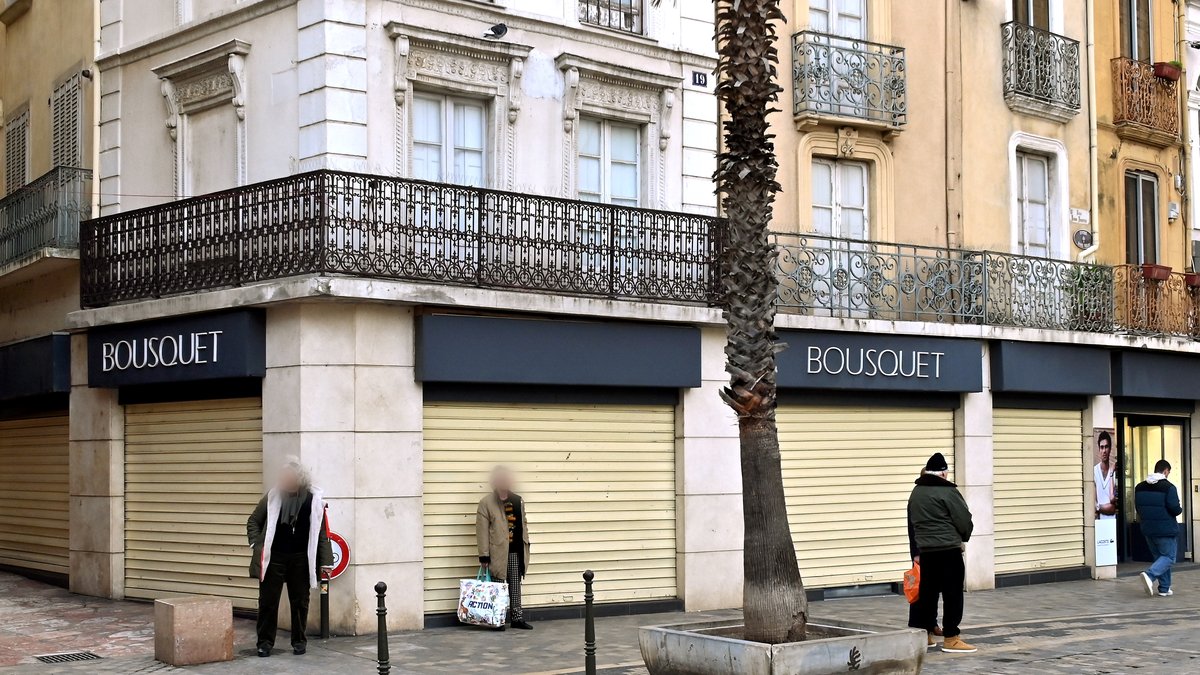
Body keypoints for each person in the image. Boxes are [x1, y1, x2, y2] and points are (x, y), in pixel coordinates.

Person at [247, 457, 333, 657]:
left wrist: (326, 561)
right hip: (274, 557)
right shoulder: (273, 496)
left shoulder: (314, 501)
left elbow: (323, 534)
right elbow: (253, 521)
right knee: (268, 602)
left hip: (301, 559)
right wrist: (256, 544)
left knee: (300, 602)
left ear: (299, 479)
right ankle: (265, 643)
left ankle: (299, 642)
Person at [907, 452, 976, 654]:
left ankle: (926, 634)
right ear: (943, 474)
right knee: (953, 595)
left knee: (928, 594)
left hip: (926, 552)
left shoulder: (916, 493)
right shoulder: (947, 492)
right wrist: (964, 535)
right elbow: (964, 520)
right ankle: (951, 638)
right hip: (948, 551)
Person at [476, 466, 532, 630]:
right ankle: (497, 619)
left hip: (516, 550)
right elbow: (482, 531)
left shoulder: (517, 500)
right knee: (498, 586)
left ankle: (517, 618)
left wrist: (526, 542)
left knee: (515, 584)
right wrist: (484, 555)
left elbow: (524, 524)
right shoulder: (486, 503)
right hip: (497, 552)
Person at [1135, 459, 1183, 597]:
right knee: (1168, 557)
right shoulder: (1169, 487)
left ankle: (1164, 588)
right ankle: (1149, 576)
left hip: (1148, 529)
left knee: (1160, 558)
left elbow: (1138, 508)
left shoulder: (1140, 487)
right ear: (1166, 471)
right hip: (1165, 529)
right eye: (1169, 472)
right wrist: (1179, 509)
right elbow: (1175, 509)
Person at [1094, 431, 1117, 519]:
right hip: (1099, 522)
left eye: (1106, 447)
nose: (1104, 451)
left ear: (1110, 448)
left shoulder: (1114, 472)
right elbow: (1093, 504)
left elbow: (1113, 508)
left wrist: (1098, 507)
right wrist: (1101, 507)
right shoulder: (1094, 471)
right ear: (1099, 449)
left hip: (1113, 522)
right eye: (1102, 447)